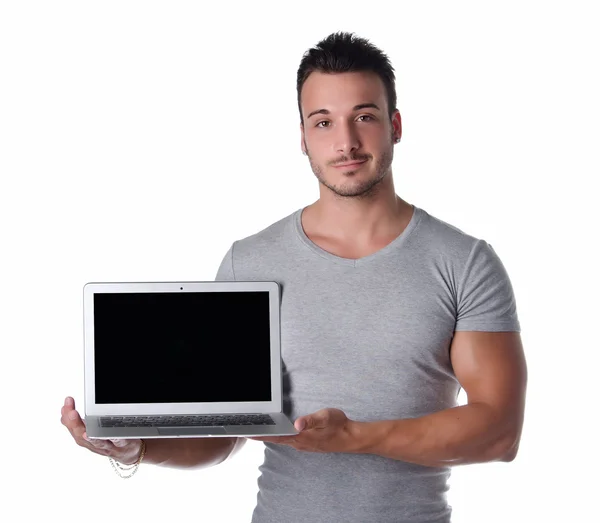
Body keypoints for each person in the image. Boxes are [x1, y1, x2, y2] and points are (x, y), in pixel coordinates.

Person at [61, 31, 527, 522]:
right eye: (323, 122)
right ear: (303, 137)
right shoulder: (251, 262)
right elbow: (223, 437)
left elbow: (500, 431)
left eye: (364, 117)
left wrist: (354, 438)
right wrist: (134, 447)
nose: (345, 142)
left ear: (395, 125)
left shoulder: (465, 261)